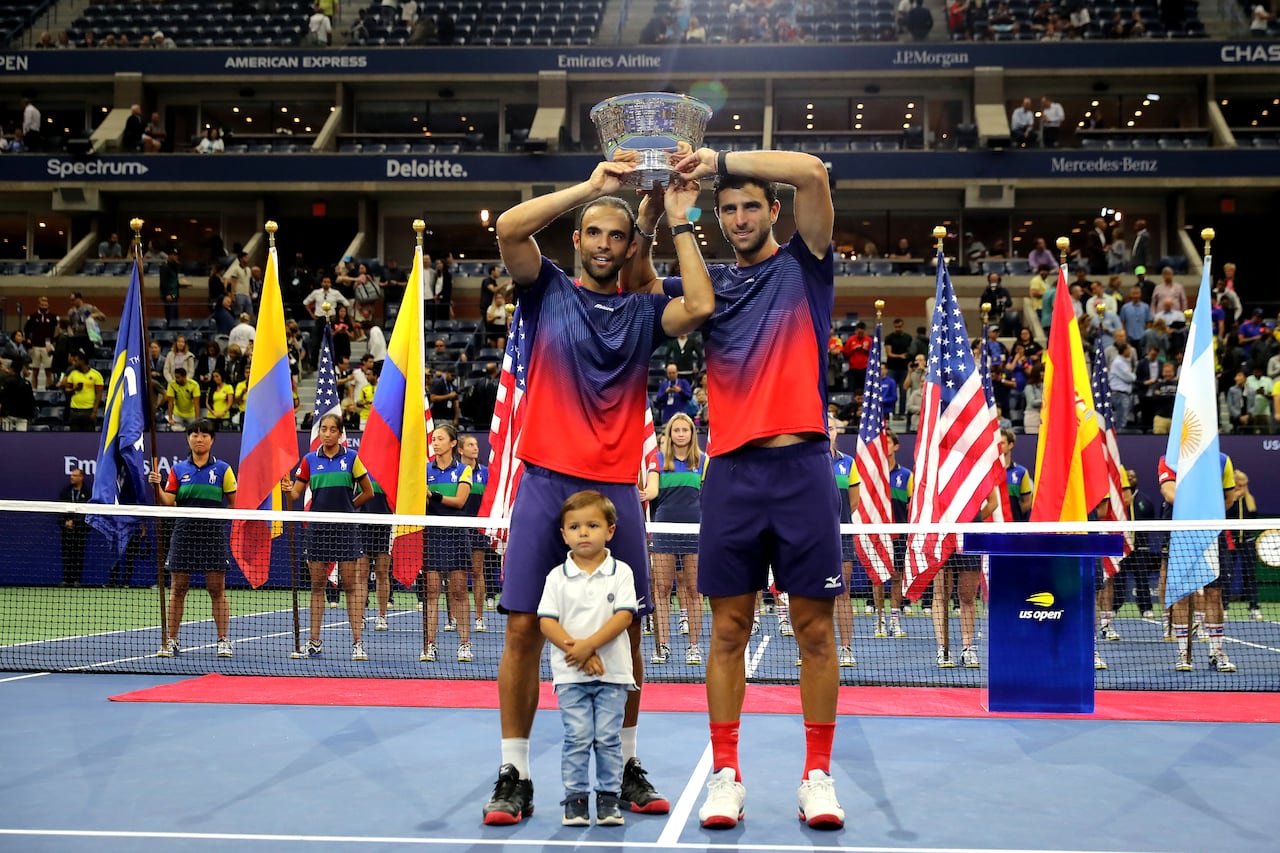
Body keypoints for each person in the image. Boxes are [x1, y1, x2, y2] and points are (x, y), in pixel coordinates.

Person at [481, 156, 711, 826]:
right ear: (578, 241)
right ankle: (515, 773)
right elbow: (509, 228)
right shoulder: (546, 288)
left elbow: (700, 306)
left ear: (630, 245)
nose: (605, 244)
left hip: (614, 491)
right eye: (595, 233)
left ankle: (625, 765)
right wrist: (592, 189)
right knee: (522, 626)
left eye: (617, 235)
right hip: (544, 480)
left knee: (627, 632)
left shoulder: (644, 311)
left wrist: (674, 218)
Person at [629, 147, 846, 829]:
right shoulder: (708, 282)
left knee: (815, 629)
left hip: (802, 468)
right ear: (717, 218)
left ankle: (817, 777)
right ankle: (727, 774)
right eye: (729, 209)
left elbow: (813, 171)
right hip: (731, 474)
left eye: (752, 205)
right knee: (727, 628)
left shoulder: (806, 265)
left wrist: (717, 160)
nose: (741, 217)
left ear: (774, 210)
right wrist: (658, 211)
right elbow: (636, 284)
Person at [537, 490, 637, 828]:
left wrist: (588, 646)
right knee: (577, 737)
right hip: (571, 677)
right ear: (563, 534)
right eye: (574, 527)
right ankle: (575, 800)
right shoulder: (556, 576)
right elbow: (547, 622)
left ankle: (608, 799)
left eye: (592, 525)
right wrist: (577, 651)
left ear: (610, 530)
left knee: (608, 739)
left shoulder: (621, 572)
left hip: (613, 675)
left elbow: (624, 616)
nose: (583, 532)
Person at [282, 413, 375, 660]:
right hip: (318, 530)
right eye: (324, 429)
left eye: (333, 429)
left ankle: (357, 642)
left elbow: (368, 491)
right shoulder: (309, 460)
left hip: (346, 529)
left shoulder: (352, 458)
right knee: (317, 586)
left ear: (340, 434)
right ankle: (314, 642)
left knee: (350, 586)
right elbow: (296, 495)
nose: (327, 433)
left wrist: (349, 508)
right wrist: (289, 489)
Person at [147, 420, 237, 658]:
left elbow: (234, 503)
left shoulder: (223, 469)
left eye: (204, 435)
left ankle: (223, 640)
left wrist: (219, 521)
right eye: (195, 435)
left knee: (216, 589)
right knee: (178, 589)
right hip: (184, 533)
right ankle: (172, 640)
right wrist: (157, 487)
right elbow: (168, 501)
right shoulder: (178, 470)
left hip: (212, 535)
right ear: (188, 439)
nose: (199, 439)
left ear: (212, 440)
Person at [640, 412, 706, 667]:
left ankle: (694, 647)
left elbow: (711, 495)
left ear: (691, 433)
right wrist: (642, 494)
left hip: (694, 531)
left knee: (694, 591)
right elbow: (653, 489)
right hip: (664, 529)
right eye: (676, 430)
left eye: (684, 430)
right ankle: (662, 646)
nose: (680, 434)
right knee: (662, 590)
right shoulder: (657, 460)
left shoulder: (703, 461)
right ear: (669, 434)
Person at [421, 423, 475, 664]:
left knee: (459, 591)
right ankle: (430, 645)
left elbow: (460, 501)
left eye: (440, 439)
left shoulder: (464, 470)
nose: (435, 442)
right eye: (434, 439)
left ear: (453, 443)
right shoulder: (424, 470)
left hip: (456, 534)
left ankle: (464, 644)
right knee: (432, 592)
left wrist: (433, 495)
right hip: (432, 534)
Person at [828, 424, 860, 666]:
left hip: (842, 535)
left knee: (843, 592)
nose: (827, 431)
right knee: (810, 594)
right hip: (812, 537)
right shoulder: (807, 462)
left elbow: (854, 503)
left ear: (837, 431)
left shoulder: (848, 463)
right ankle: (809, 648)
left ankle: (846, 648)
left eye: (831, 427)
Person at [459, 434, 493, 624]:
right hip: (458, 526)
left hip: (478, 527)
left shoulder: (486, 473)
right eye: (470, 445)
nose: (475, 448)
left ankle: (479, 617)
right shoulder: (456, 472)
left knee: (477, 571)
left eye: (476, 444)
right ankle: (455, 617)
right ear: (460, 450)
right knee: (458, 573)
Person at [59, 468, 91, 586]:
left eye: (74, 475)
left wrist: (75, 522)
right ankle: (67, 579)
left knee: (78, 555)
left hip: (80, 530)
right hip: (66, 530)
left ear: (81, 477)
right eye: (71, 475)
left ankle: (77, 580)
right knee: (67, 554)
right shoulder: (65, 492)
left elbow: (88, 511)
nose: (71, 477)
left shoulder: (87, 492)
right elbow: (58, 509)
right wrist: (65, 522)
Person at [61, 349, 103, 431]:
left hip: (88, 411)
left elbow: (99, 394)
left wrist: (94, 412)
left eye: (76, 361)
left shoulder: (96, 375)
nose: (74, 363)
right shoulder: (73, 374)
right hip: (74, 411)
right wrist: (74, 389)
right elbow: (67, 390)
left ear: (82, 361)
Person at [165, 366, 201, 431]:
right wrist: (170, 418)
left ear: (184, 377)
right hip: (178, 414)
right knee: (175, 429)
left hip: (191, 414)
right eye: (175, 377)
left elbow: (196, 404)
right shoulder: (172, 385)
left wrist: (197, 420)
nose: (176, 379)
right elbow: (170, 402)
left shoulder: (194, 385)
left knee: (195, 430)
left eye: (178, 377)